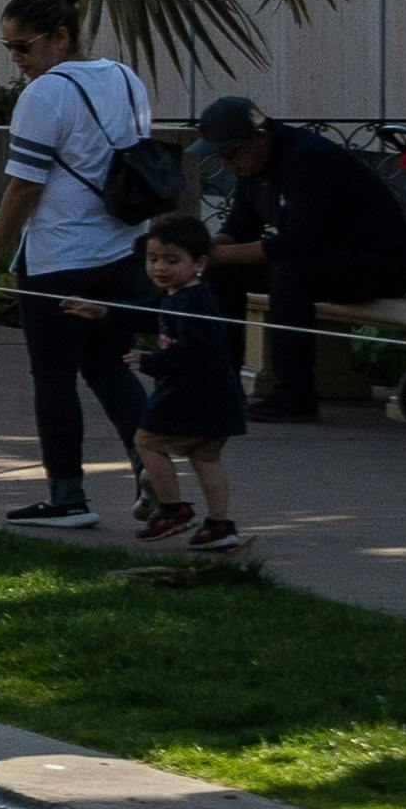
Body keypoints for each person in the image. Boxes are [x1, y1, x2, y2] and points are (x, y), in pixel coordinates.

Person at [0, 0, 163, 533]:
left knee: (54, 376)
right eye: (8, 48)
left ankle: (67, 496)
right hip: (122, 250)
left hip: (60, 256)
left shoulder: (44, 94)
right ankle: (153, 475)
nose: (16, 59)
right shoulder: (124, 76)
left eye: (23, 47)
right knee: (108, 365)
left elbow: (24, 186)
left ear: (60, 37)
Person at [181, 96, 406, 424]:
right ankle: (222, 385)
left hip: (380, 263)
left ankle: (294, 397)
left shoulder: (310, 160)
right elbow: (239, 228)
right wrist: (203, 249)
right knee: (223, 274)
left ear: (260, 137)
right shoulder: (254, 167)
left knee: (289, 274)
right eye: (220, 156)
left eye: (231, 153)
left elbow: (296, 244)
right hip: (323, 260)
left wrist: (219, 254)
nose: (227, 162)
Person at [110, 217, 257, 561]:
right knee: (205, 457)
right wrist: (105, 312)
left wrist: (151, 361)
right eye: (153, 258)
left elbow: (195, 350)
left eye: (172, 260)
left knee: (147, 441)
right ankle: (220, 525)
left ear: (199, 264)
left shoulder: (192, 302)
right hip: (216, 397)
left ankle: (173, 509)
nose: (160, 267)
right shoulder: (184, 295)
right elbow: (153, 318)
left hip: (189, 394)